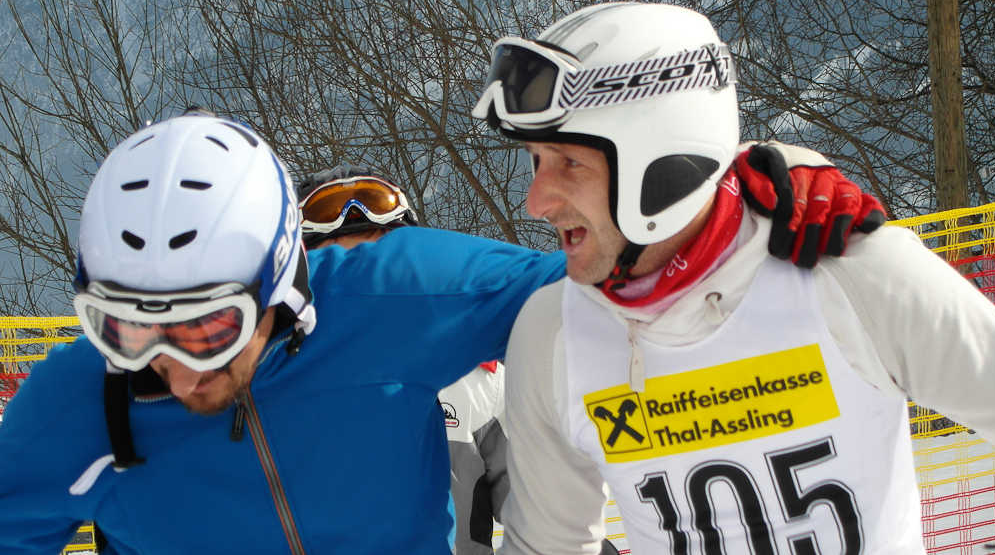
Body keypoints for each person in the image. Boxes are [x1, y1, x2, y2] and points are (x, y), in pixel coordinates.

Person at [0, 106, 876, 554]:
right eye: (125, 332)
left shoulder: (391, 298)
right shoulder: (75, 404)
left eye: (209, 330)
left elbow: (617, 274)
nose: (172, 370)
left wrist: (757, 193)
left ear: (279, 284)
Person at [472, 2, 995, 555]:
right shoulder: (552, 335)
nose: (536, 201)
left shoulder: (849, 274)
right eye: (536, 160)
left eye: (569, 163)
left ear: (662, 160)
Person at [297, 165, 513, 555]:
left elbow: (546, 514)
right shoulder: (257, 384)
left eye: (376, 261)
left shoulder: (474, 376)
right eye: (335, 266)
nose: (359, 286)